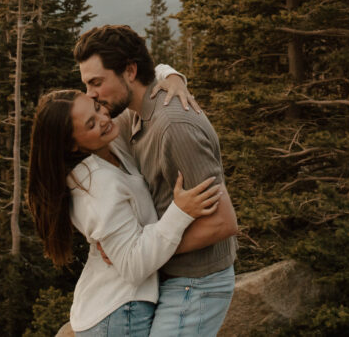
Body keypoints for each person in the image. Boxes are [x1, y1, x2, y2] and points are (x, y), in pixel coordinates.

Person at [74, 25, 239, 336]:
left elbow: (222, 223)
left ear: (130, 71)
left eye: (96, 83)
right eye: (86, 85)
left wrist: (141, 252)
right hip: (171, 278)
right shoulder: (133, 114)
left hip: (197, 281)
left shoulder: (172, 125)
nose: (90, 95)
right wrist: (174, 75)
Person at [27, 89, 222, 336]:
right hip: (120, 314)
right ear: (72, 144)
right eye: (91, 124)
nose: (104, 119)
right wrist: (180, 212)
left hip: (117, 311)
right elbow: (133, 265)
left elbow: (143, 79)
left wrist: (174, 80)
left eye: (97, 108)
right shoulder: (97, 184)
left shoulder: (108, 149)